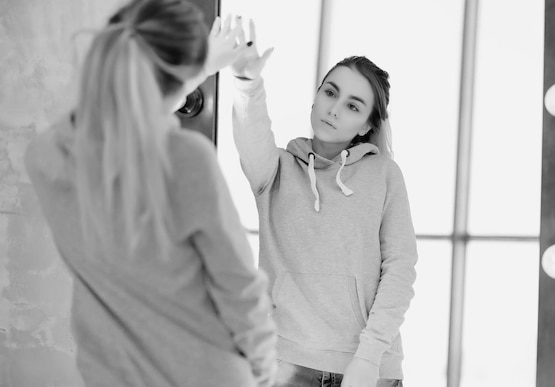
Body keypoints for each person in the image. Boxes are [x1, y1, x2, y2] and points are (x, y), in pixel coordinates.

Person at [24, 1, 276, 386]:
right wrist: (263, 372)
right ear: (179, 79)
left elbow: (110, 118)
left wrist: (195, 68)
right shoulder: (185, 161)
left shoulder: (47, 158)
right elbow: (240, 289)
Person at [229, 21, 418, 387]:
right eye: (330, 93)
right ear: (316, 95)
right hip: (285, 365)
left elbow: (400, 270)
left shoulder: (384, 175)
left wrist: (368, 357)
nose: (334, 109)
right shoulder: (276, 169)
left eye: (352, 106)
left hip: (369, 369)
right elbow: (251, 134)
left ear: (366, 125)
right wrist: (247, 85)